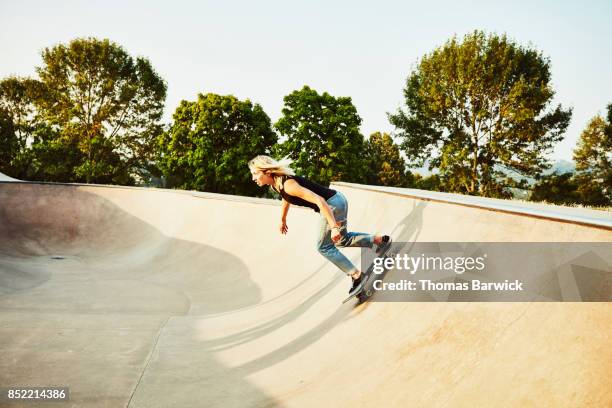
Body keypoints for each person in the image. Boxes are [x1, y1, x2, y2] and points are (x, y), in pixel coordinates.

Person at [248, 155, 391, 296]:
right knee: (341, 240)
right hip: (336, 200)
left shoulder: (288, 184)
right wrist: (283, 219)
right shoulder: (276, 184)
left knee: (323, 246)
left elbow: (319, 200)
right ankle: (379, 241)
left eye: (255, 174)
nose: (253, 178)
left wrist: (334, 227)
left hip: (332, 205)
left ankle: (357, 275)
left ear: (267, 172)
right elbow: (286, 199)